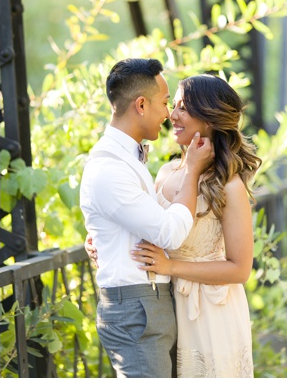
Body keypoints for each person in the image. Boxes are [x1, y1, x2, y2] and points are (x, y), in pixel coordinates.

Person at [80, 58, 214, 378]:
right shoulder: (110, 168)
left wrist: (104, 239)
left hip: (148, 306)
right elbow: (170, 233)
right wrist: (193, 170)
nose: (169, 114)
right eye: (165, 103)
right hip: (136, 311)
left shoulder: (127, 158)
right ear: (141, 105)